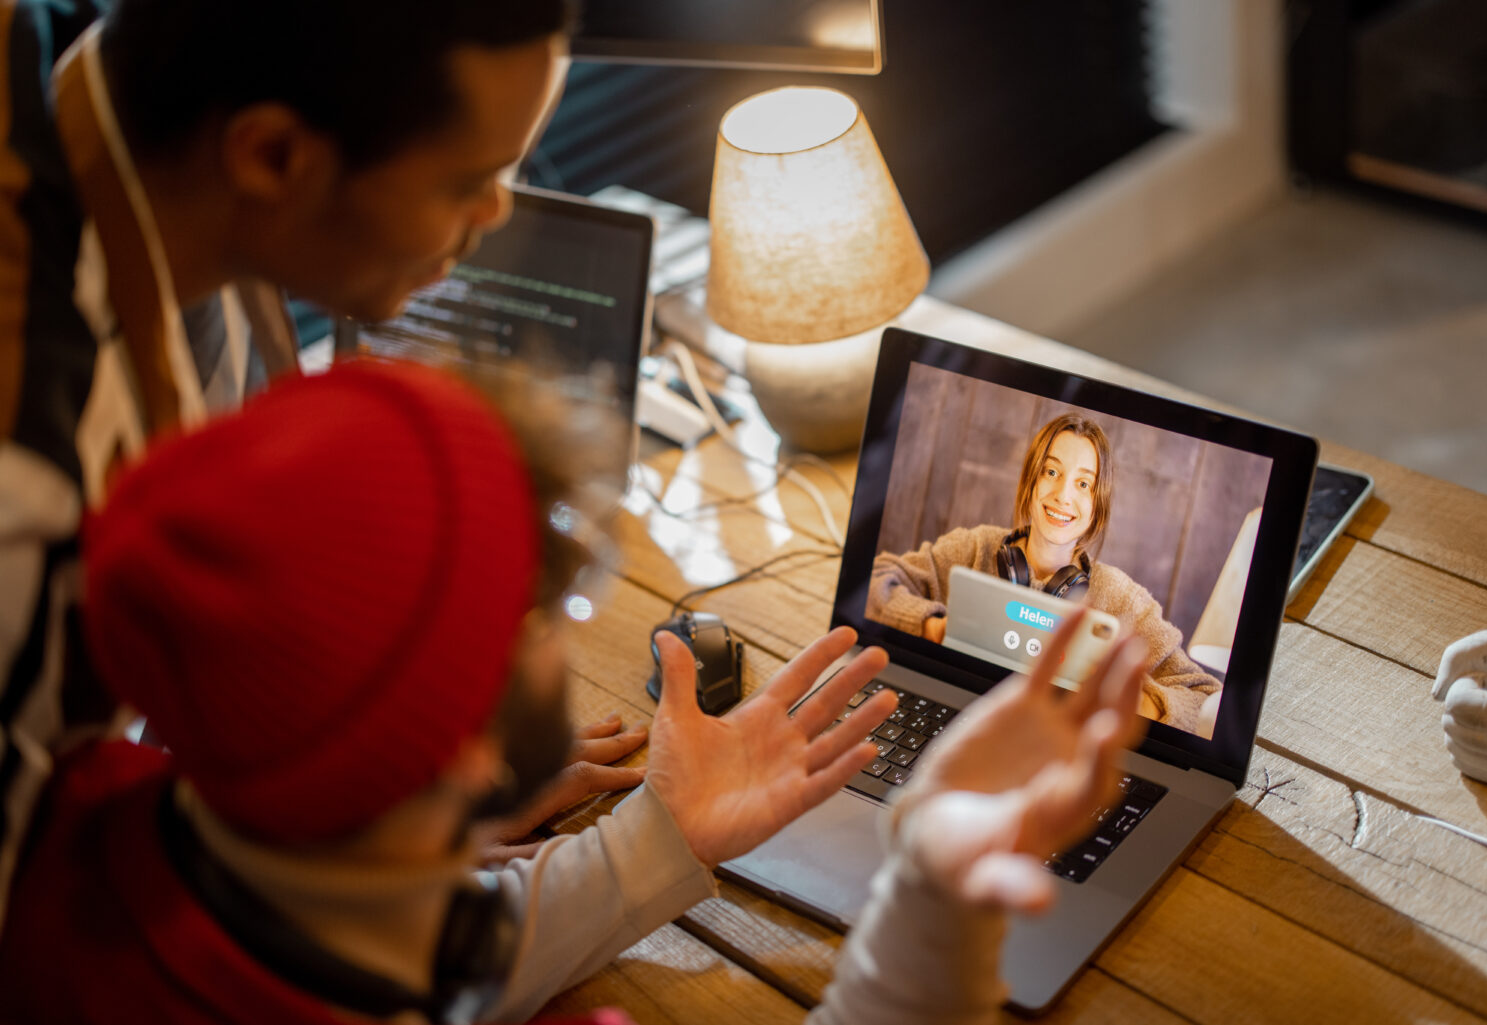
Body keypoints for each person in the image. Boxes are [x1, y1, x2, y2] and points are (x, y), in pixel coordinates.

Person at [0, 359, 1148, 1023]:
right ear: (464, 750)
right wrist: (936, 899)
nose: (568, 622)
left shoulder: (69, 831)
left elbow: (408, 924)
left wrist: (661, 830)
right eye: (542, 607)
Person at [0, 0, 622, 924]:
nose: (495, 212)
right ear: (271, 156)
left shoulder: (130, 106)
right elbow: (44, 926)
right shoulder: (30, 480)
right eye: (468, 180)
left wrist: (385, 800)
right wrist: (359, 863)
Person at [867, 413, 1219, 732]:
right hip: (957, 727)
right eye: (1052, 472)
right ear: (1031, 481)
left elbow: (1204, 698)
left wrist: (1136, 701)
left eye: (1084, 484)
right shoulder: (974, 548)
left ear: (1097, 505)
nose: (1063, 495)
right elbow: (875, 580)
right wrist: (933, 627)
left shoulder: (1122, 599)